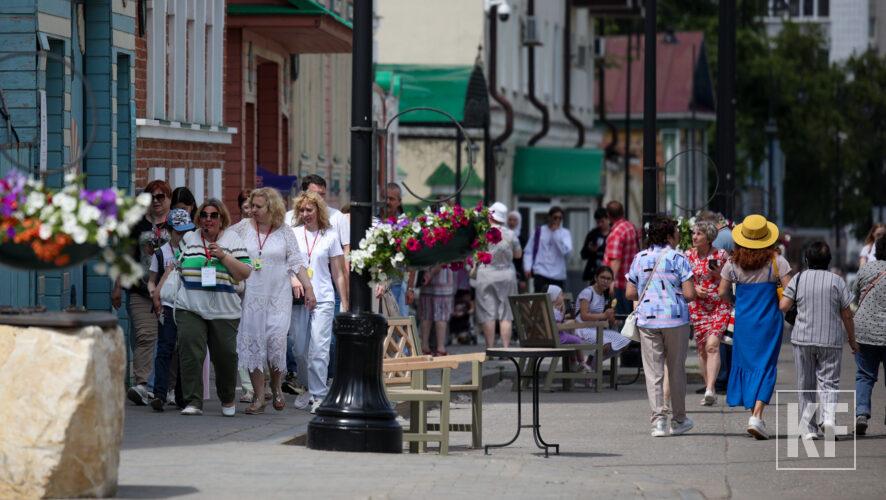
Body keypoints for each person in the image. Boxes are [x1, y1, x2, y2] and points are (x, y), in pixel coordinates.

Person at [235, 188, 316, 415]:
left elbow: (297, 262)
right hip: (251, 296)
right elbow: (224, 244)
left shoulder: (284, 232)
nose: (253, 210)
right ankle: (259, 397)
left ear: (271, 208)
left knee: (275, 342)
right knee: (254, 344)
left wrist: (308, 288)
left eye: (258, 207)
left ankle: (277, 386)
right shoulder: (241, 229)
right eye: (252, 206)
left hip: (278, 296)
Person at [174, 199, 253, 416]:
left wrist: (224, 256)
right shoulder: (189, 238)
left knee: (225, 356)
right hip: (190, 305)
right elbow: (175, 266)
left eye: (213, 215)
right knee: (190, 352)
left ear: (221, 219)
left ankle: (227, 398)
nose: (208, 219)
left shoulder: (232, 239)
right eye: (204, 215)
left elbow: (245, 272)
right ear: (198, 218)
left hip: (224, 309)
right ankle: (193, 401)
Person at [717, 214, 791, 439]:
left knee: (747, 364)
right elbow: (790, 292)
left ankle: (755, 416)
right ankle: (757, 416)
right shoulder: (778, 261)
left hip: (744, 320)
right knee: (766, 365)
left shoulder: (732, 263)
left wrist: (736, 302)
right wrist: (782, 308)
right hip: (769, 320)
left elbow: (722, 292)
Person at [779, 241, 858, 440]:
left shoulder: (798, 278)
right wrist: (852, 339)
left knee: (805, 383)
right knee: (829, 382)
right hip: (830, 339)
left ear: (806, 259)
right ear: (829, 261)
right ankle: (829, 418)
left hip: (803, 338)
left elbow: (784, 306)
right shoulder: (837, 281)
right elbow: (847, 314)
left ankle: (808, 429)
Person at [626, 216, 696, 437]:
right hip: (675, 319)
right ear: (668, 235)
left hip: (648, 320)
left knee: (653, 371)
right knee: (675, 370)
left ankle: (658, 422)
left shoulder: (639, 258)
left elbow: (629, 292)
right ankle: (679, 419)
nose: (678, 235)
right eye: (676, 232)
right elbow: (689, 294)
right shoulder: (679, 258)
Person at [289, 191, 348, 414]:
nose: (305, 214)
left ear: (318, 211)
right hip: (298, 299)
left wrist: (344, 301)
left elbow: (339, 273)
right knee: (299, 349)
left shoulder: (330, 236)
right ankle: (308, 388)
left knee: (319, 349)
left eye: (309, 210)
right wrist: (294, 279)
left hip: (323, 297)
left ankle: (319, 395)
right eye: (301, 210)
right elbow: (287, 263)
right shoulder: (293, 234)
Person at [115, 179, 172, 406]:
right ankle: (141, 384)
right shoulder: (137, 224)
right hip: (139, 289)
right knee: (145, 335)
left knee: (169, 340)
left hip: (169, 291)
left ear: (169, 199)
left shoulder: (176, 224)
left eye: (161, 197)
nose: (156, 201)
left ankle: (163, 386)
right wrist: (117, 286)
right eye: (152, 197)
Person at [146, 208, 194, 411]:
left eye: (186, 231)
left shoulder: (194, 250)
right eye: (178, 232)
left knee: (184, 350)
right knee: (165, 349)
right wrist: (153, 294)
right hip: (167, 306)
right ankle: (159, 394)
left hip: (188, 305)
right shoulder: (161, 253)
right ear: (169, 230)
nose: (182, 236)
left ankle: (183, 396)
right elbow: (151, 281)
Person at [685, 220, 732, 405]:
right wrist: (695, 288)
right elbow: (682, 279)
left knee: (713, 345)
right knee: (702, 350)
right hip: (698, 307)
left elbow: (732, 278)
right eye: (694, 233)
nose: (694, 236)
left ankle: (711, 388)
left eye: (699, 234)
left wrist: (719, 273)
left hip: (719, 305)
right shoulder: (687, 255)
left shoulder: (721, 255)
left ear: (709, 237)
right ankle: (708, 388)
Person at [850, 236, 886, 435]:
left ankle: (861, 413)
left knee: (864, 375)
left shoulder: (866, 270)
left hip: (864, 331)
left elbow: (854, 296)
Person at [474, 202, 522, 348]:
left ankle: (490, 348)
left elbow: (475, 253)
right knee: (506, 313)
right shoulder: (511, 234)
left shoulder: (482, 232)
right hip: (506, 274)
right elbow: (518, 255)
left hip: (486, 274)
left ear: (490, 216)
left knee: (488, 313)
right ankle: (506, 348)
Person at [574, 266, 630, 370]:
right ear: (596, 278)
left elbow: (602, 318)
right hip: (582, 329)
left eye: (608, 279)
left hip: (596, 330)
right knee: (606, 345)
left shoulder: (604, 295)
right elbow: (584, 315)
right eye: (602, 277)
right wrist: (604, 315)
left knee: (624, 341)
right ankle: (591, 370)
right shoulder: (587, 292)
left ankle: (590, 366)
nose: (605, 281)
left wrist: (612, 320)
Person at [523, 206, 572, 292]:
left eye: (560, 218)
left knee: (556, 303)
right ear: (549, 217)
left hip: (558, 274)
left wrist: (556, 233)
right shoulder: (539, 231)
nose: (557, 220)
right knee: (539, 301)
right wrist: (527, 267)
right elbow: (529, 250)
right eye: (555, 217)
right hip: (541, 272)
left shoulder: (565, 233)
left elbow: (565, 252)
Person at [603, 200, 640, 315]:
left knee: (620, 320)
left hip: (620, 284)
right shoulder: (630, 227)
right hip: (632, 281)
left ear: (608, 215)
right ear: (622, 212)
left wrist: (610, 282)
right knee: (629, 318)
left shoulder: (617, 232)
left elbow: (615, 260)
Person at [418, 264, 456, 355]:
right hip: (443, 280)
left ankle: (424, 347)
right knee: (441, 315)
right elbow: (442, 261)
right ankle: (440, 348)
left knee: (426, 314)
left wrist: (428, 273)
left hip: (426, 278)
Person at [581, 208, 610, 283]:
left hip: (609, 274)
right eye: (598, 222)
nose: (600, 224)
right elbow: (583, 254)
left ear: (608, 219)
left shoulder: (613, 233)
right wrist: (590, 250)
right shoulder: (592, 234)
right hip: (594, 274)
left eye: (602, 221)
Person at [508, 210, 528, 293]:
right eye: (510, 219)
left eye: (514, 220)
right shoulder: (503, 234)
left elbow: (523, 259)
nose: (512, 222)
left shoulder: (522, 238)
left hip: (517, 273)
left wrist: (523, 278)